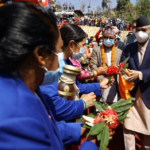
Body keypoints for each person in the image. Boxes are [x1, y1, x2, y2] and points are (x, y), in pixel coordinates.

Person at [0, 2, 102, 150]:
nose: (62, 55)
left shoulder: (29, 88)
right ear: (41, 55)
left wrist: (81, 129)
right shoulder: (16, 117)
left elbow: (45, 128)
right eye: (59, 48)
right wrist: (90, 145)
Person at [38, 24, 113, 122]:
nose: (84, 49)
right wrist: (82, 104)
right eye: (82, 45)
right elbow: (54, 105)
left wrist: (99, 85)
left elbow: (77, 87)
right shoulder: (51, 66)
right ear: (71, 45)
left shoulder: (68, 62)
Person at [121, 15, 150, 150]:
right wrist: (125, 73)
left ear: (149, 31)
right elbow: (122, 66)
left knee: (148, 127)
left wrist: (140, 74)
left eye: (143, 30)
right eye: (137, 30)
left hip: (147, 94)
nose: (140, 33)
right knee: (128, 125)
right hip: (130, 94)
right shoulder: (129, 48)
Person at [90, 26, 122, 103]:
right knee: (100, 109)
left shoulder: (120, 52)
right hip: (100, 83)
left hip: (115, 84)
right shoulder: (96, 50)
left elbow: (121, 67)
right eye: (105, 37)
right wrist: (101, 78)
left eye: (110, 38)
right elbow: (93, 66)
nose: (108, 40)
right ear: (102, 38)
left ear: (115, 39)